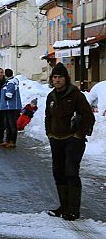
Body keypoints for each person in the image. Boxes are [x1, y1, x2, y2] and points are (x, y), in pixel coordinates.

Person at [45, 62, 95, 221]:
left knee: (71, 172)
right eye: (55, 77)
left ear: (66, 79)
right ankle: (64, 207)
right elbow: (48, 116)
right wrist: (49, 133)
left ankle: (73, 210)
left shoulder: (76, 95)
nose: (57, 80)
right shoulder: (51, 96)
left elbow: (88, 117)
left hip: (73, 140)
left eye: (60, 77)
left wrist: (79, 135)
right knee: (58, 173)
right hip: (56, 139)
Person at [0, 68, 21, 148]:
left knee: (12, 124)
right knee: (7, 124)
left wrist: (5, 97)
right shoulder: (9, 82)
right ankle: (7, 140)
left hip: (11, 106)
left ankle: (12, 141)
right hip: (7, 107)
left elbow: (9, 94)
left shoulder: (11, 82)